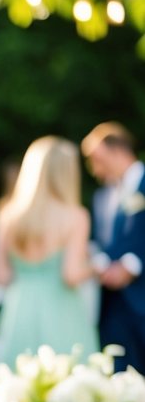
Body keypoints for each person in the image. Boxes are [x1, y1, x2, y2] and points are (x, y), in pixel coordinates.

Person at [0, 135, 98, 363]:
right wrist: (96, 267)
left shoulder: (7, 217)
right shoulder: (76, 217)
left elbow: (1, 277)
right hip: (62, 311)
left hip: (19, 310)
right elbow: (71, 275)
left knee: (19, 376)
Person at [81, 121, 145, 372]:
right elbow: (107, 242)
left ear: (118, 150)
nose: (95, 169)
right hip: (112, 303)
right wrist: (100, 263)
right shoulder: (104, 196)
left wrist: (133, 265)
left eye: (98, 160)